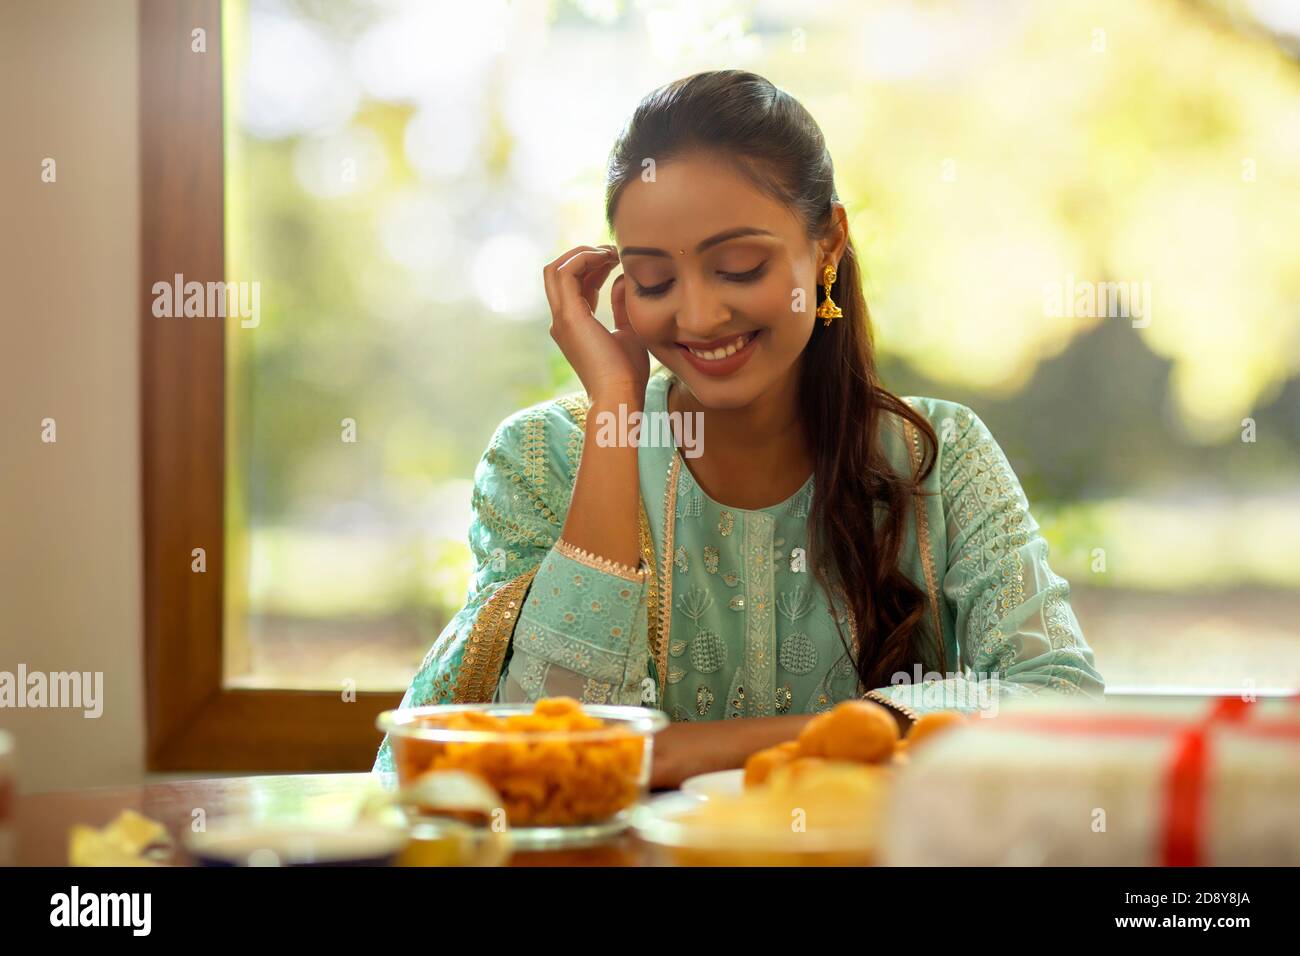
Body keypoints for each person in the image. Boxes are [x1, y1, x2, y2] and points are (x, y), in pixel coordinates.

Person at [374, 70, 1103, 789]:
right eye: (654, 281)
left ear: (827, 245)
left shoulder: (939, 457)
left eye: (738, 266)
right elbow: (555, 752)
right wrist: (615, 409)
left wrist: (696, 751)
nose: (696, 317)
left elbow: (1061, 697)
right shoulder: (546, 457)